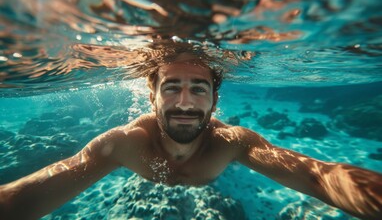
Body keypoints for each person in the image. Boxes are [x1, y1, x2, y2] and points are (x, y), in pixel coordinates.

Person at [0, 50, 381, 220]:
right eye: (171, 87)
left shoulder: (232, 142)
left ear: (215, 101)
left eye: (199, 88)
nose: (185, 102)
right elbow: (28, 195)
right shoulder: (124, 143)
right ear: (151, 97)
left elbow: (319, 176)